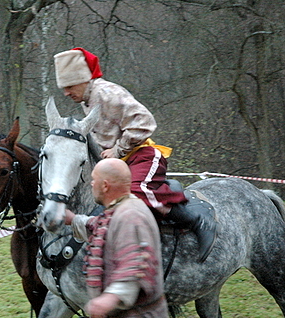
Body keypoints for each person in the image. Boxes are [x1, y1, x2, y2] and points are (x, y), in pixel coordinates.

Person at [54, 47, 218, 262]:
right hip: (119, 164)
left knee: (133, 192)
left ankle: (197, 221)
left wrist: (117, 149)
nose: (66, 93)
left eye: (69, 86)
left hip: (143, 155)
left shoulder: (107, 93)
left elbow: (145, 122)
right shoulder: (88, 100)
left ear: (82, 78)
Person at [65, 158, 170, 318]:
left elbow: (136, 263)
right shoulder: (122, 208)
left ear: (105, 186)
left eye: (93, 179)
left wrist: (109, 299)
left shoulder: (130, 215)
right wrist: (73, 219)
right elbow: (100, 229)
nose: (91, 184)